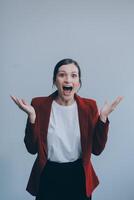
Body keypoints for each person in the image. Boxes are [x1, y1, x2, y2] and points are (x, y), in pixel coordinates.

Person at [11, 58, 123, 200]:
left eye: (73, 75)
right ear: (54, 80)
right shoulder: (39, 105)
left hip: (79, 175)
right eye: (62, 74)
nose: (68, 79)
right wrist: (32, 117)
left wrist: (103, 118)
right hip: (48, 175)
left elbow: (97, 149)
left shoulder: (89, 107)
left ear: (78, 82)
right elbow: (32, 149)